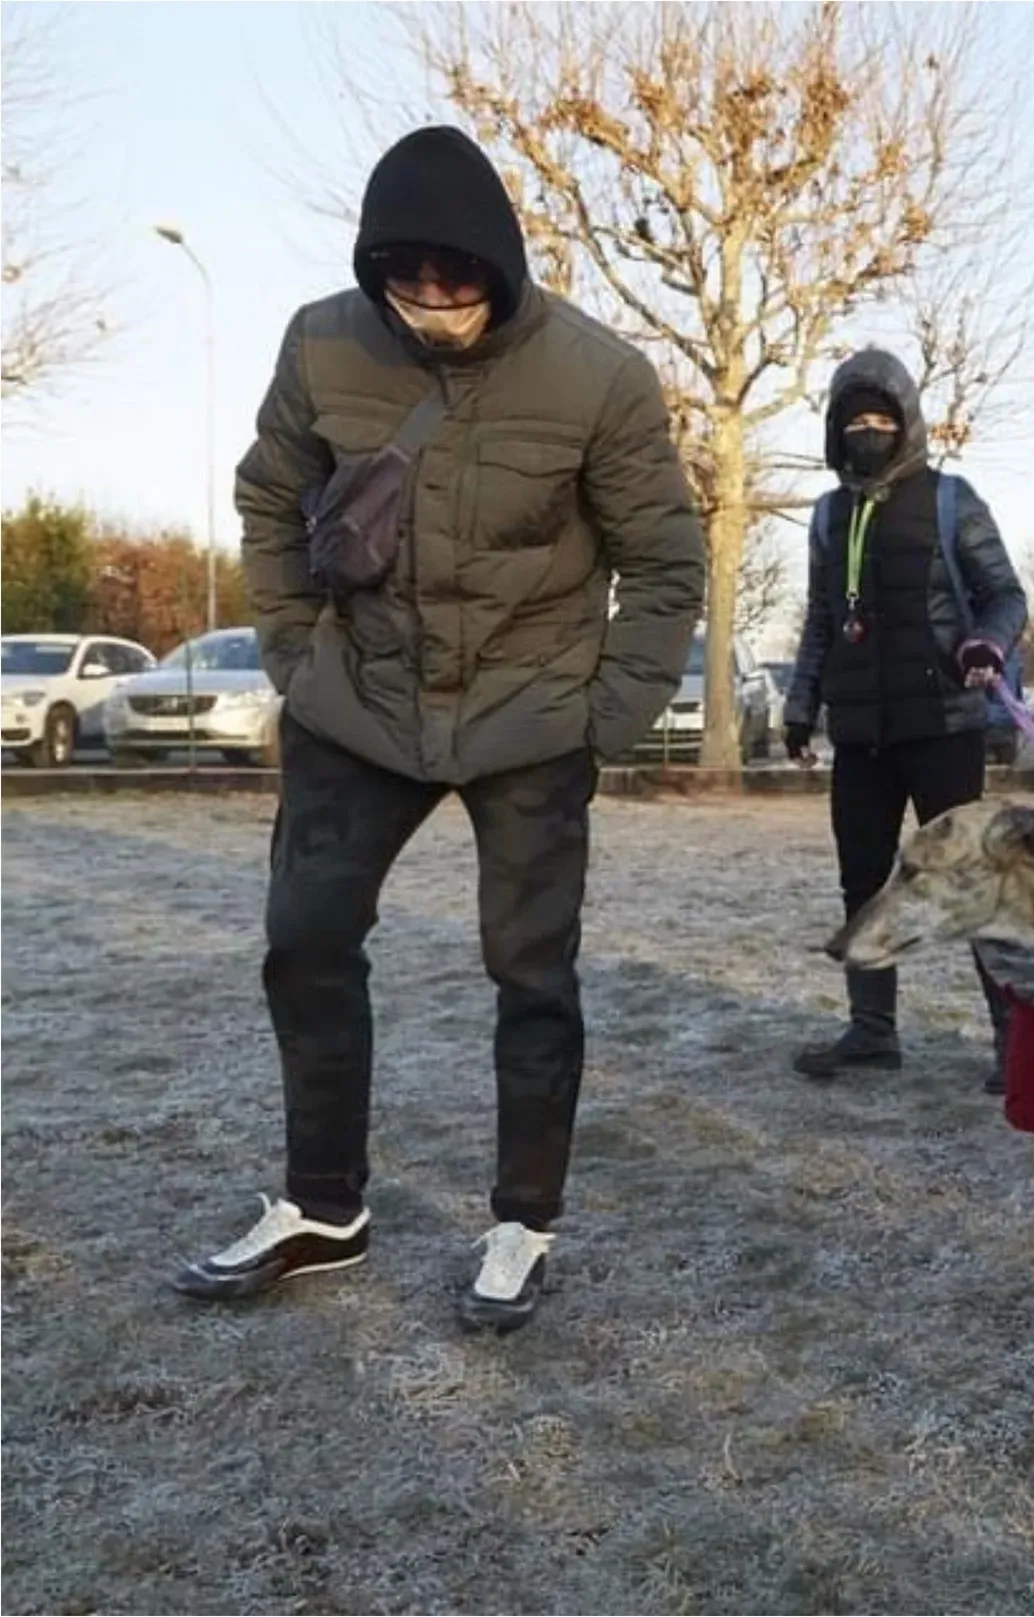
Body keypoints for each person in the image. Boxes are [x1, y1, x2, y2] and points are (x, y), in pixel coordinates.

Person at [170, 126, 706, 1333]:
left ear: (502, 267)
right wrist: (298, 655)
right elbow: (269, 497)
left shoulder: (601, 376)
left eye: (456, 282)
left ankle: (520, 1220)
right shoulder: (320, 343)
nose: (432, 305)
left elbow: (664, 563)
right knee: (303, 942)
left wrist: (602, 716)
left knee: (531, 974)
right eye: (405, 281)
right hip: (357, 701)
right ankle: (322, 1206)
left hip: (530, 716)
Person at [782, 348, 1028, 1095]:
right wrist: (800, 704)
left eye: (882, 418)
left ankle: (1014, 1042)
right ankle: (871, 1031)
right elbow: (822, 620)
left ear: (908, 422)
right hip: (860, 735)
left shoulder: (952, 501)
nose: (868, 430)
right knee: (863, 880)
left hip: (944, 726)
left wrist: (987, 642)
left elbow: (1006, 594)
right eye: (853, 420)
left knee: (968, 881)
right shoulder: (827, 517)